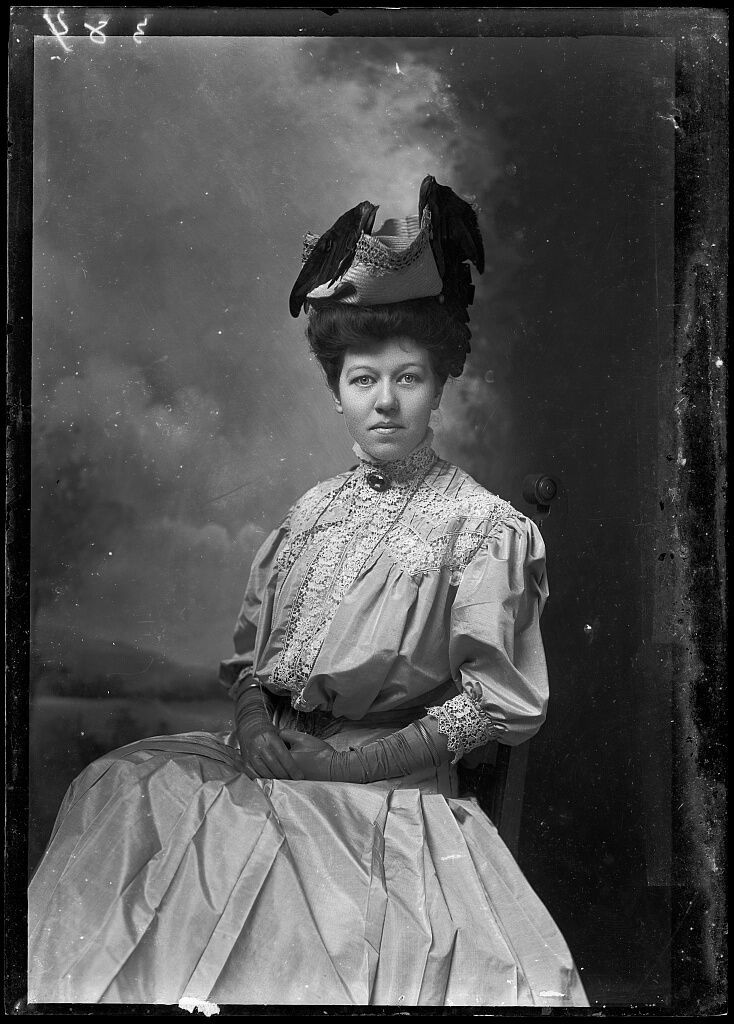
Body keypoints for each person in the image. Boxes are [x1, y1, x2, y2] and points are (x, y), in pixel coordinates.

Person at [28, 177, 588, 1007]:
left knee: (272, 893)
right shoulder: (312, 513)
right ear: (337, 391)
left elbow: (490, 704)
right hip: (271, 763)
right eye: (364, 380)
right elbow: (256, 662)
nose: (386, 402)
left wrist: (345, 762)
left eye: (409, 378)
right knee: (124, 796)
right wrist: (255, 728)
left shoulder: (481, 526)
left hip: (386, 794)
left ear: (440, 386)